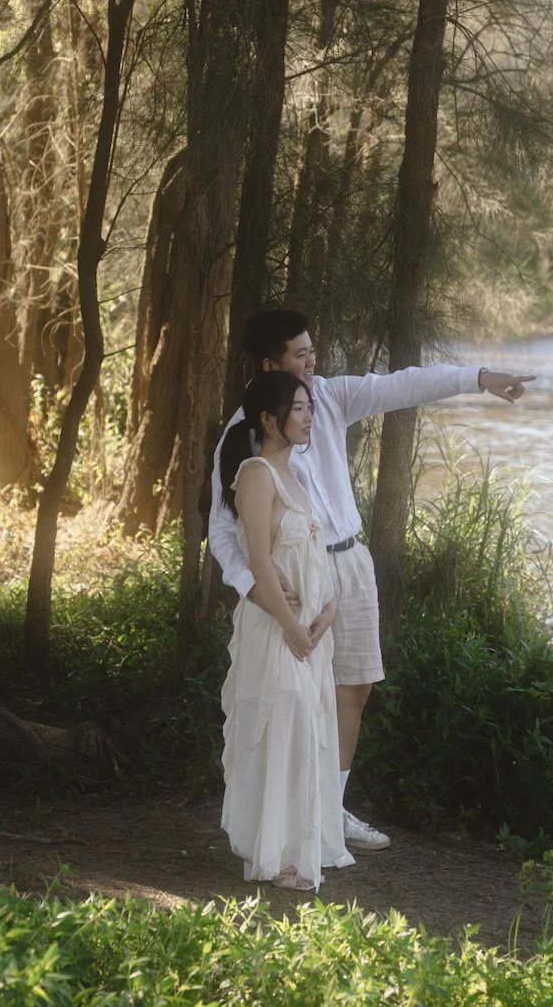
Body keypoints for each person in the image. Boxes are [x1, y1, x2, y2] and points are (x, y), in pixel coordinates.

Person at [209, 309, 535, 853]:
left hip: (351, 562)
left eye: (313, 351)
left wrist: (480, 378)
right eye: (299, 355)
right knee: (294, 697)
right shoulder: (242, 434)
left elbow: (403, 384)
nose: (312, 362)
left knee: (354, 688)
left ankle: (330, 812)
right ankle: (287, 821)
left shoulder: (331, 397)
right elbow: (221, 531)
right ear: (270, 365)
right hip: (293, 576)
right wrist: (254, 587)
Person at [218, 369, 354, 892]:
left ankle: (297, 850)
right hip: (276, 628)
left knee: (307, 728)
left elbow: (312, 556)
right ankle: (270, 856)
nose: (309, 416)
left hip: (310, 632)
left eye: (310, 407)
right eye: (298, 408)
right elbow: (258, 562)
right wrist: (291, 625)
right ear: (270, 420)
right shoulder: (256, 475)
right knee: (282, 724)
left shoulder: (295, 476)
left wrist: (325, 614)